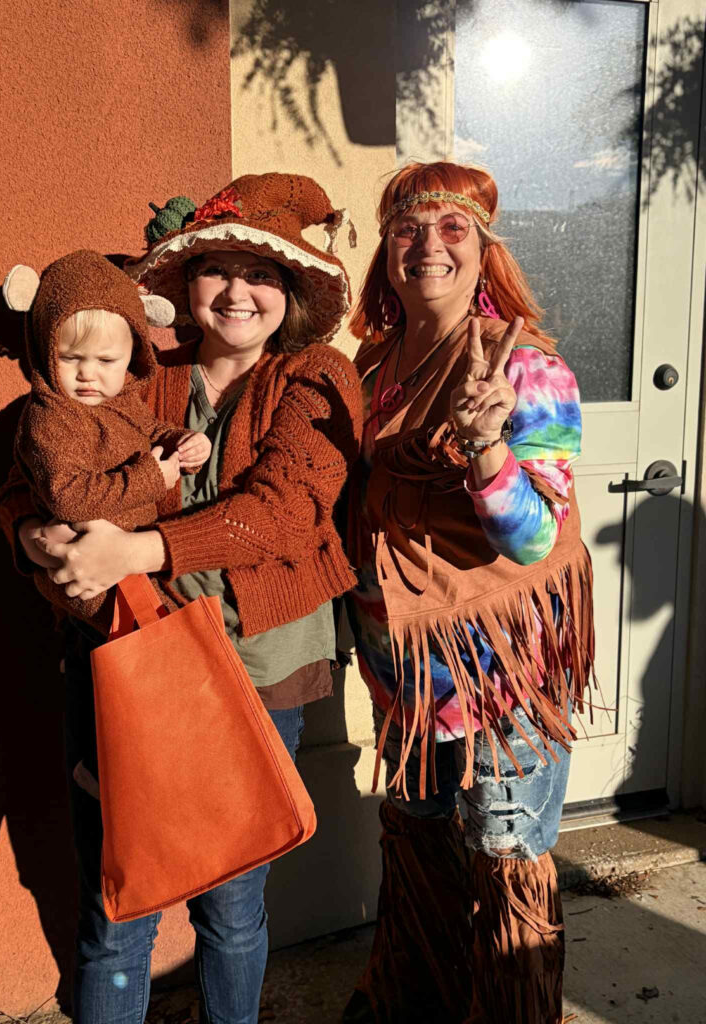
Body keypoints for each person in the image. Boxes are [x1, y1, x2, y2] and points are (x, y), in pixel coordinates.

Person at [0, 172, 362, 1024]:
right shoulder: (140, 377)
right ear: (184, 286)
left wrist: (136, 544)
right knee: (119, 909)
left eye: (262, 274)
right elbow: (37, 471)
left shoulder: (315, 377)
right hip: (132, 671)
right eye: (217, 269)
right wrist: (31, 537)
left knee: (230, 912)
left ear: (293, 293)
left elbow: (282, 511)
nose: (238, 292)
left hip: (257, 674)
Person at [343, 161, 594, 1024]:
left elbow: (531, 541)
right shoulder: (375, 366)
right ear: (387, 248)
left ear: (485, 250)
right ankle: (419, 1000)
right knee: (418, 848)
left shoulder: (529, 368)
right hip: (407, 671)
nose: (430, 246)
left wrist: (488, 448)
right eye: (410, 228)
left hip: (502, 678)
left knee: (504, 861)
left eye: (454, 229)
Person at [4, 248, 211, 633]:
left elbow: (149, 432)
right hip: (83, 575)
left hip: (127, 564)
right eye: (70, 357)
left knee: (169, 643)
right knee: (155, 647)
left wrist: (182, 443)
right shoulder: (49, 417)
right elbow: (68, 497)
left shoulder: (122, 401)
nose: (87, 374)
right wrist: (152, 478)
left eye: (106, 361)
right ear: (44, 348)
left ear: (133, 354)